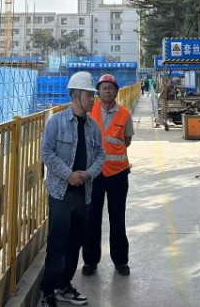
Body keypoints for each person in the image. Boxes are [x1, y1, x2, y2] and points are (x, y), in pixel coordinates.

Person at [40, 71, 106, 307]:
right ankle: (48, 292)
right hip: (61, 194)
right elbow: (46, 152)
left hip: (83, 195)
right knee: (57, 244)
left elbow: (101, 155)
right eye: (89, 95)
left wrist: (88, 174)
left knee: (75, 243)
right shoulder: (56, 122)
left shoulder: (93, 126)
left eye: (92, 95)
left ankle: (64, 285)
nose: (93, 99)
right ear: (76, 95)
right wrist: (68, 175)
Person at [83, 74, 134, 276]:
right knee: (92, 218)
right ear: (98, 91)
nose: (107, 90)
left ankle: (121, 261)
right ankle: (90, 261)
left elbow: (126, 141)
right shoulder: (89, 111)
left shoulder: (125, 114)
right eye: (103, 87)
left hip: (118, 174)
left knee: (117, 217)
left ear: (116, 91)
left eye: (110, 87)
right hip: (94, 174)